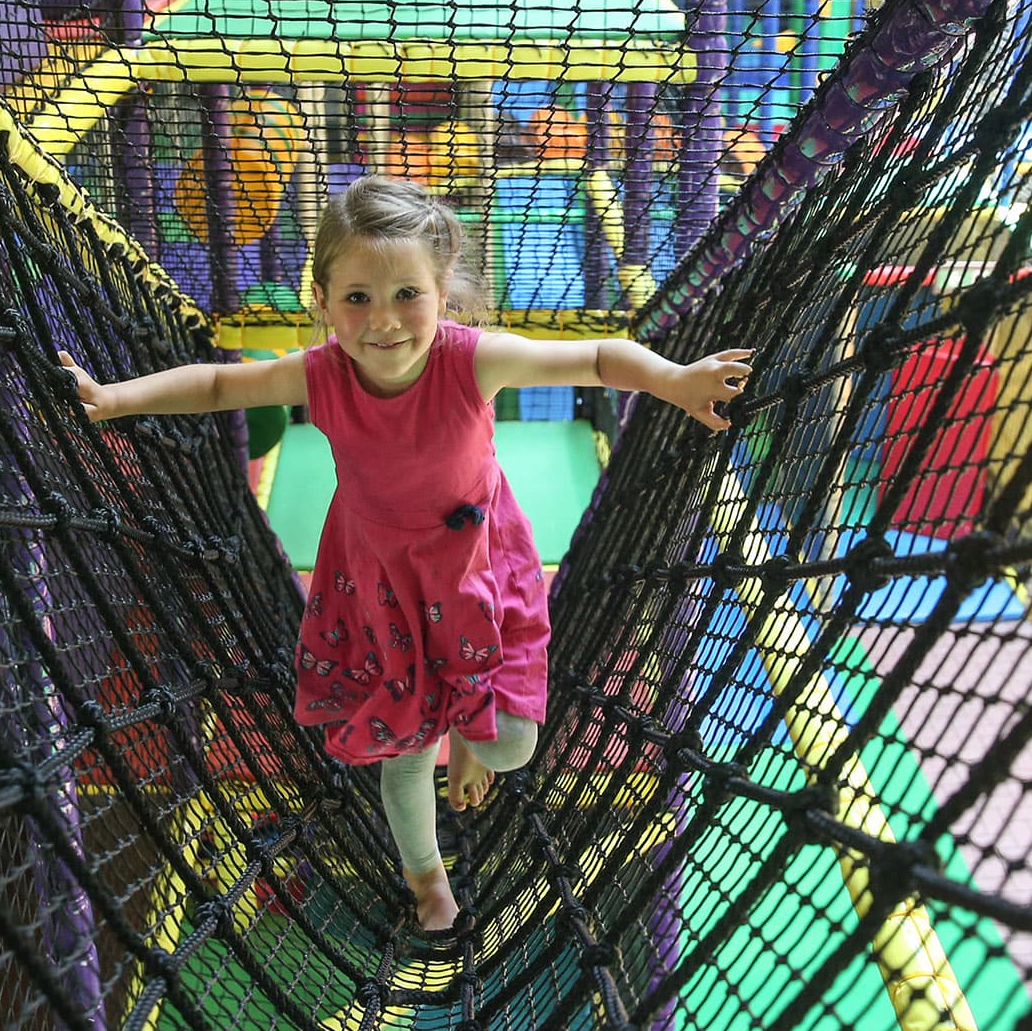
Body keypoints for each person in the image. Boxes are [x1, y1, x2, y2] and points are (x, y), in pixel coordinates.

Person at [58, 176, 752, 932]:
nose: (382, 322)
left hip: (474, 569)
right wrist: (117, 398)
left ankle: (473, 740)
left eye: (405, 294)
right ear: (319, 300)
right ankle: (428, 881)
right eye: (356, 297)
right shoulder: (322, 373)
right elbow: (223, 381)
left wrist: (675, 380)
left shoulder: (471, 362)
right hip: (380, 580)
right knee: (406, 750)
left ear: (442, 285)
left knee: (512, 741)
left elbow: (596, 359)